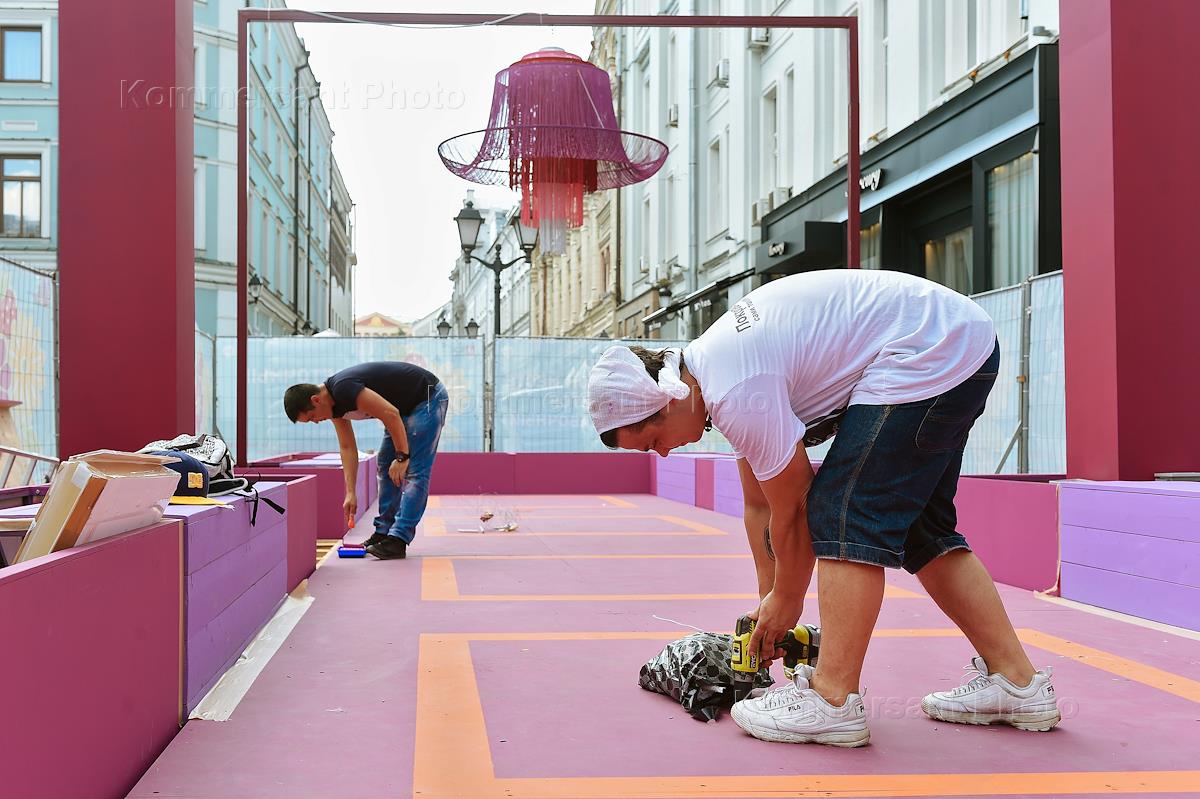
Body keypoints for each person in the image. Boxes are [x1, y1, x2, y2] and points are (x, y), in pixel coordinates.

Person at [587, 269, 1060, 747]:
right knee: (922, 529)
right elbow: (760, 505)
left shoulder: (735, 389)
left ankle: (832, 699)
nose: (663, 454)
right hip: (952, 340)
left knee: (843, 513)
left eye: (652, 441)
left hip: (929, 348)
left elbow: (795, 507)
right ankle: (1017, 682)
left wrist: (788, 601)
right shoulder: (716, 373)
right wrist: (770, 605)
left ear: (668, 400)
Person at [284, 361, 449, 560]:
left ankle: (398, 539)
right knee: (385, 466)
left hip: (428, 396)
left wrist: (402, 457)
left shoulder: (344, 389)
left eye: (312, 417)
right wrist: (351, 493)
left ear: (316, 400)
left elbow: (390, 414)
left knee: (415, 471)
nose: (316, 422)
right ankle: (383, 533)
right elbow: (347, 448)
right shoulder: (332, 407)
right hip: (400, 409)